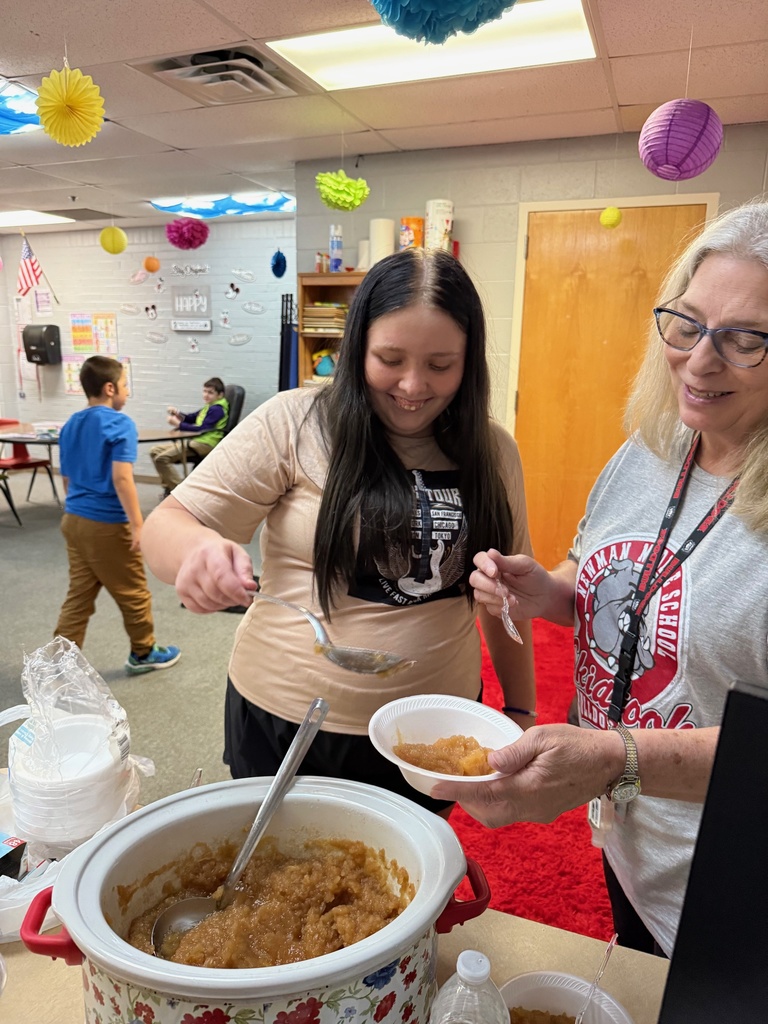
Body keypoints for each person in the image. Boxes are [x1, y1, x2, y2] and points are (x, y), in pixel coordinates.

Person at [434, 200, 768, 957]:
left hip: (732, 873)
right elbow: (610, 579)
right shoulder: (651, 451)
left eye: (745, 341)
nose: (700, 360)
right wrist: (547, 593)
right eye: (686, 324)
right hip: (636, 837)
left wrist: (616, 757)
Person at [141, 247, 535, 815]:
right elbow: (166, 525)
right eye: (390, 359)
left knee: (403, 886)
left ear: (469, 363)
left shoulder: (494, 452)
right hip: (288, 720)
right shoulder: (295, 421)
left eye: (441, 365)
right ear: (356, 350)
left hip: (431, 731)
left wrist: (520, 709)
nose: (413, 385)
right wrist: (197, 550)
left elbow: (504, 595)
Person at [54, 356, 181, 676]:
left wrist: (80, 509)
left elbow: (66, 478)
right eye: (125, 385)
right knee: (133, 590)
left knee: (79, 594)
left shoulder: (70, 424)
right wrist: (139, 526)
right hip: (107, 524)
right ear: (110, 388)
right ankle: (144, 651)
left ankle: (57, 664)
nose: (126, 391)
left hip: (73, 520)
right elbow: (122, 479)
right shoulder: (119, 423)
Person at [150, 377, 229, 496]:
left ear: (220, 395)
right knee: (154, 451)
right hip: (197, 441)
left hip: (205, 444)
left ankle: (180, 494)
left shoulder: (217, 409)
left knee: (162, 459)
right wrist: (177, 413)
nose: (206, 395)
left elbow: (201, 428)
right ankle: (168, 487)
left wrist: (179, 424)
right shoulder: (209, 406)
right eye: (205, 391)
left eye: (210, 392)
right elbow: (191, 418)